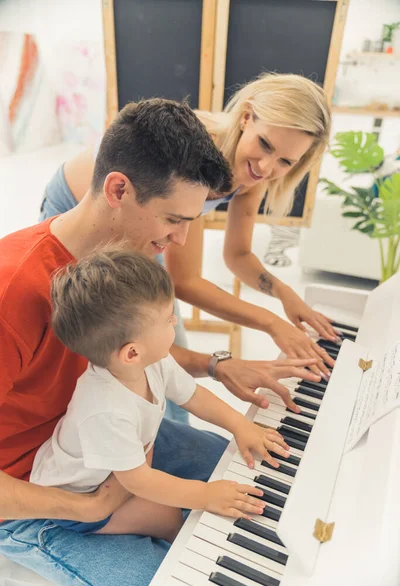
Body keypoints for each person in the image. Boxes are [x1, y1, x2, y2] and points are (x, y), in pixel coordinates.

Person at [0, 98, 319, 586]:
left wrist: (220, 366)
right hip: (35, 492)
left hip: (105, 442)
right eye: (174, 219)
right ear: (118, 189)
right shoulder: (12, 290)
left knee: (271, 488)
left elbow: (149, 360)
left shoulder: (121, 269)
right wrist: (84, 507)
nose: (180, 239)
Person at [39, 73, 338, 391]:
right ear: (247, 116)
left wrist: (284, 293)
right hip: (82, 203)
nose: (266, 167)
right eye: (265, 144)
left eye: (285, 161)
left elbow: (238, 255)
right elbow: (185, 282)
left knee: (160, 340)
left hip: (147, 221)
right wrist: (270, 323)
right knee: (111, 339)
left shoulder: (254, 174)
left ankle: (165, 426)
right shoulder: (197, 151)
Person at [31, 249, 289, 542]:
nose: (175, 323)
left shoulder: (152, 361)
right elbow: (138, 481)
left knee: (188, 490)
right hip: (80, 494)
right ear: (132, 352)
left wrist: (240, 425)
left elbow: (194, 396)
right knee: (167, 519)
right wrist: (205, 496)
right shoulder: (105, 409)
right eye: (168, 319)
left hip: (123, 462)